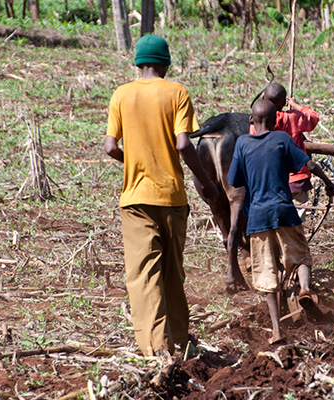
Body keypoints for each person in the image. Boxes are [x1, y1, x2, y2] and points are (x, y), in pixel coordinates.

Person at [104, 34, 218, 363]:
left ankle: (156, 350)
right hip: (172, 197)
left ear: (139, 63)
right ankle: (180, 343)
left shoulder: (121, 95)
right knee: (172, 273)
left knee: (143, 276)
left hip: (135, 201)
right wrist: (204, 179)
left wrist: (135, 160)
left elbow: (111, 147)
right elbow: (184, 145)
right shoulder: (176, 93)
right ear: (165, 63)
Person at [228, 99, 334, 344]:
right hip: (284, 210)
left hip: (257, 217)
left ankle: (276, 331)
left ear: (251, 121)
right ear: (275, 119)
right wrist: (328, 183)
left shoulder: (243, 144)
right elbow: (308, 164)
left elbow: (234, 180)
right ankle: (305, 289)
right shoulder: (282, 139)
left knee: (267, 276)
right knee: (300, 256)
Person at [251, 82, 320, 216]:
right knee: (298, 222)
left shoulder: (256, 124)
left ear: (264, 99)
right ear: (284, 102)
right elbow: (313, 118)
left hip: (270, 181)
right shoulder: (293, 117)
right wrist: (295, 105)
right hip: (296, 180)